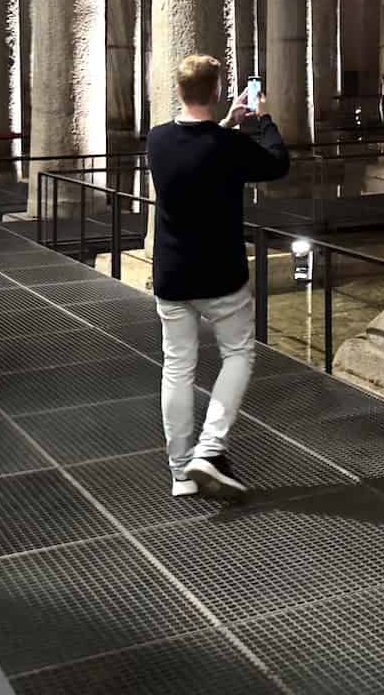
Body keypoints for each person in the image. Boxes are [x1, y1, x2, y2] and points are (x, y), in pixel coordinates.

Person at [145, 54, 291, 500]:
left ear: (178, 91)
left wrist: (225, 124)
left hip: (172, 274)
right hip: (220, 275)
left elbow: (198, 149)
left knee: (177, 367)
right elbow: (277, 163)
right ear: (218, 91)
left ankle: (179, 473)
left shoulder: (157, 140)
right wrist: (262, 118)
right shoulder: (228, 148)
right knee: (238, 355)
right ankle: (210, 448)